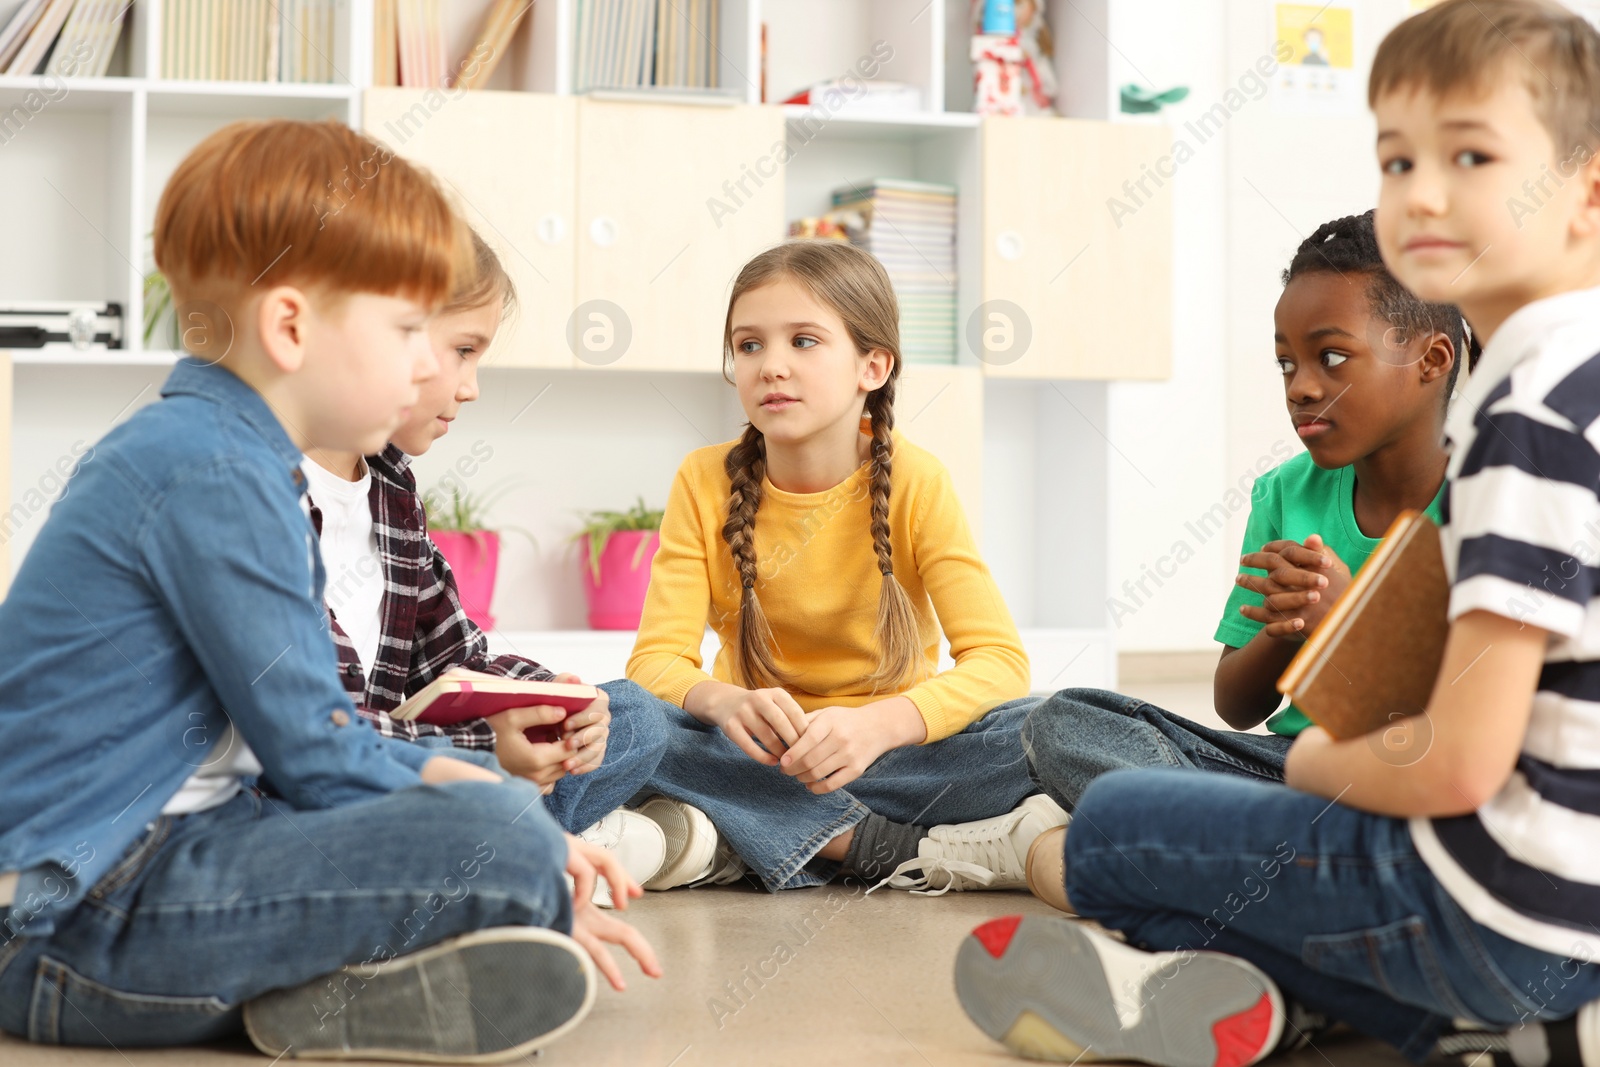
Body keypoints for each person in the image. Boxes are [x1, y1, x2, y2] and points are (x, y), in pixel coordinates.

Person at [956, 3, 1600, 1064]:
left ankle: (1434, 1008)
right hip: (1574, 906)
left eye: (1470, 154)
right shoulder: (1565, 379)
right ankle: (1503, 1029)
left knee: (1117, 828)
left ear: (1583, 188)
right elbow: (1238, 698)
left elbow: (1455, 767)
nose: (1421, 193)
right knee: (1096, 741)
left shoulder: (1519, 414)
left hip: (1496, 904)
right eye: (1396, 159)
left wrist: (1319, 768)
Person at [0, 119, 657, 1063]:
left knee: (495, 813)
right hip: (72, 923)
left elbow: (310, 749)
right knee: (506, 843)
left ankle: (341, 991)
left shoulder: (232, 455)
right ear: (292, 326)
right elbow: (317, 750)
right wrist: (512, 830)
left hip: (165, 859)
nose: (428, 366)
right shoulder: (211, 469)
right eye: (404, 331)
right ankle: (354, 976)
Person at [627, 239, 1063, 895]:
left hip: (896, 757)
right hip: (753, 756)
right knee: (624, 717)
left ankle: (746, 836)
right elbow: (655, 662)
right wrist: (724, 703)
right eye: (749, 345)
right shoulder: (702, 479)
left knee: (1046, 724)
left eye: (803, 341)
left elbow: (1000, 662)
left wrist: (876, 726)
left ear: (874, 365)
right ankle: (877, 845)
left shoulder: (918, 481)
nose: (771, 365)